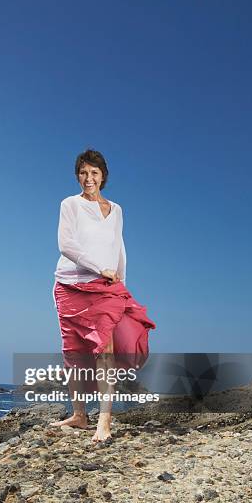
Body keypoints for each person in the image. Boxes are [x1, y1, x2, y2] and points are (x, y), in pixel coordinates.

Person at [50, 149, 156, 443]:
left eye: (94, 173)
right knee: (72, 351)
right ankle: (80, 414)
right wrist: (101, 266)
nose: (88, 178)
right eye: (83, 173)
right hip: (69, 286)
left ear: (103, 176)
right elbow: (66, 245)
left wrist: (121, 281)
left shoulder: (117, 210)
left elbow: (118, 246)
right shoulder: (69, 204)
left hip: (104, 286)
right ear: (77, 176)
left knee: (104, 350)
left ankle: (104, 422)